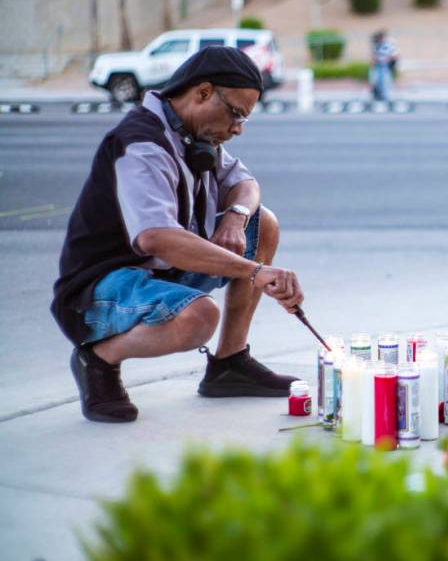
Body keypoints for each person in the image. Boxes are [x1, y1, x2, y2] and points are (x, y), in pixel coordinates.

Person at [52, 47, 305, 423]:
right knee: (200, 318)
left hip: (161, 272)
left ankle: (229, 364)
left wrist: (234, 219)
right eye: (236, 114)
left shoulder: (195, 135)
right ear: (202, 93)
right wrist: (254, 271)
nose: (237, 128)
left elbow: (246, 185)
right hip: (104, 289)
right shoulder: (141, 144)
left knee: (261, 222)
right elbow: (157, 238)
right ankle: (98, 360)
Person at [369, 30, 399, 102]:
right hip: (377, 66)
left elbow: (395, 55)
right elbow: (373, 56)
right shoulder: (376, 45)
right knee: (375, 80)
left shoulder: (389, 45)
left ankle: (385, 95)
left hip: (385, 66)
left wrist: (386, 60)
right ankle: (377, 94)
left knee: (385, 81)